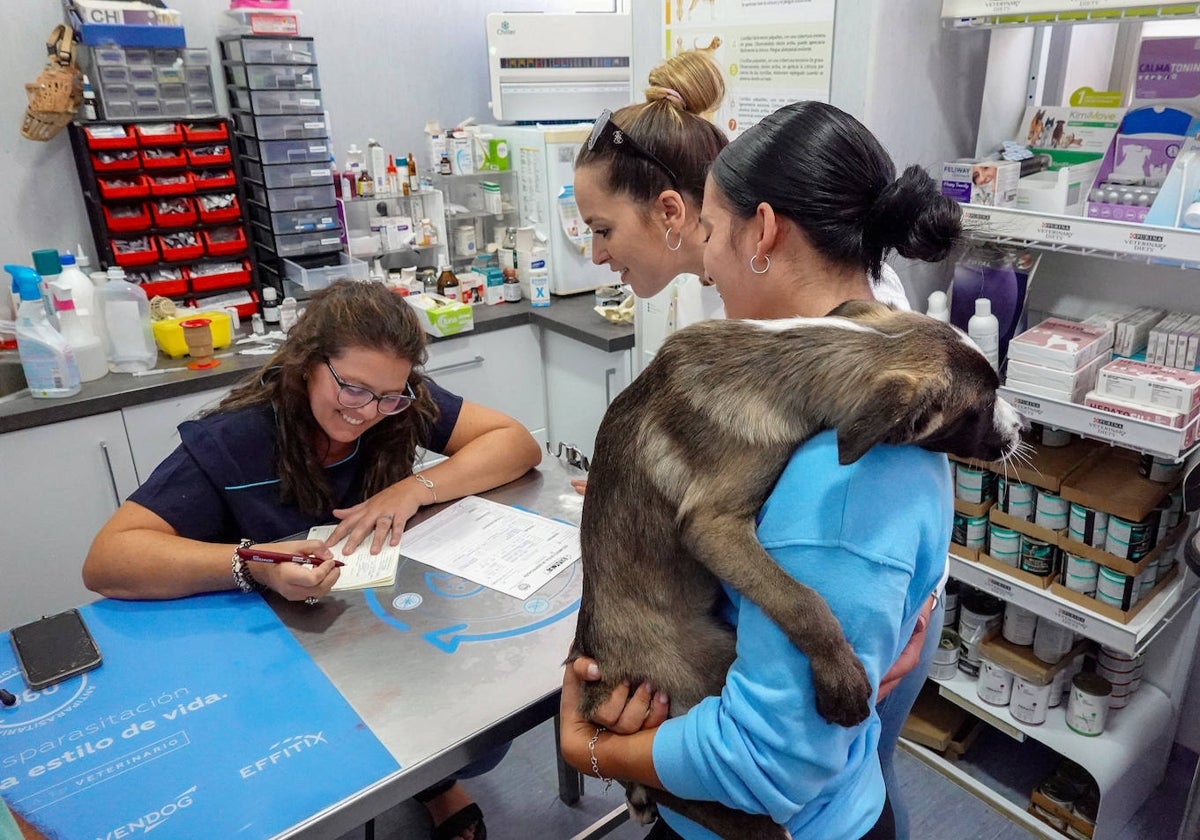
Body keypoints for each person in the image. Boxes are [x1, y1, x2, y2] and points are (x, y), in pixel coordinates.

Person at [560, 100, 962, 839]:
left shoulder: (838, 468)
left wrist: (594, 747)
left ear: (765, 232)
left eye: (709, 233)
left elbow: (766, 766)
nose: (704, 261)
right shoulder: (866, 356)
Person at [84, 280, 542, 840]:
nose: (367, 412)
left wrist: (414, 487)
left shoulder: (395, 405)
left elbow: (515, 442)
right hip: (276, 649)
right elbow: (109, 558)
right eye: (351, 389)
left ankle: (435, 785)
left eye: (388, 395)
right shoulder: (241, 437)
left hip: (383, 622)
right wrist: (256, 566)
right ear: (307, 364)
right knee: (315, 782)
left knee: (476, 743)